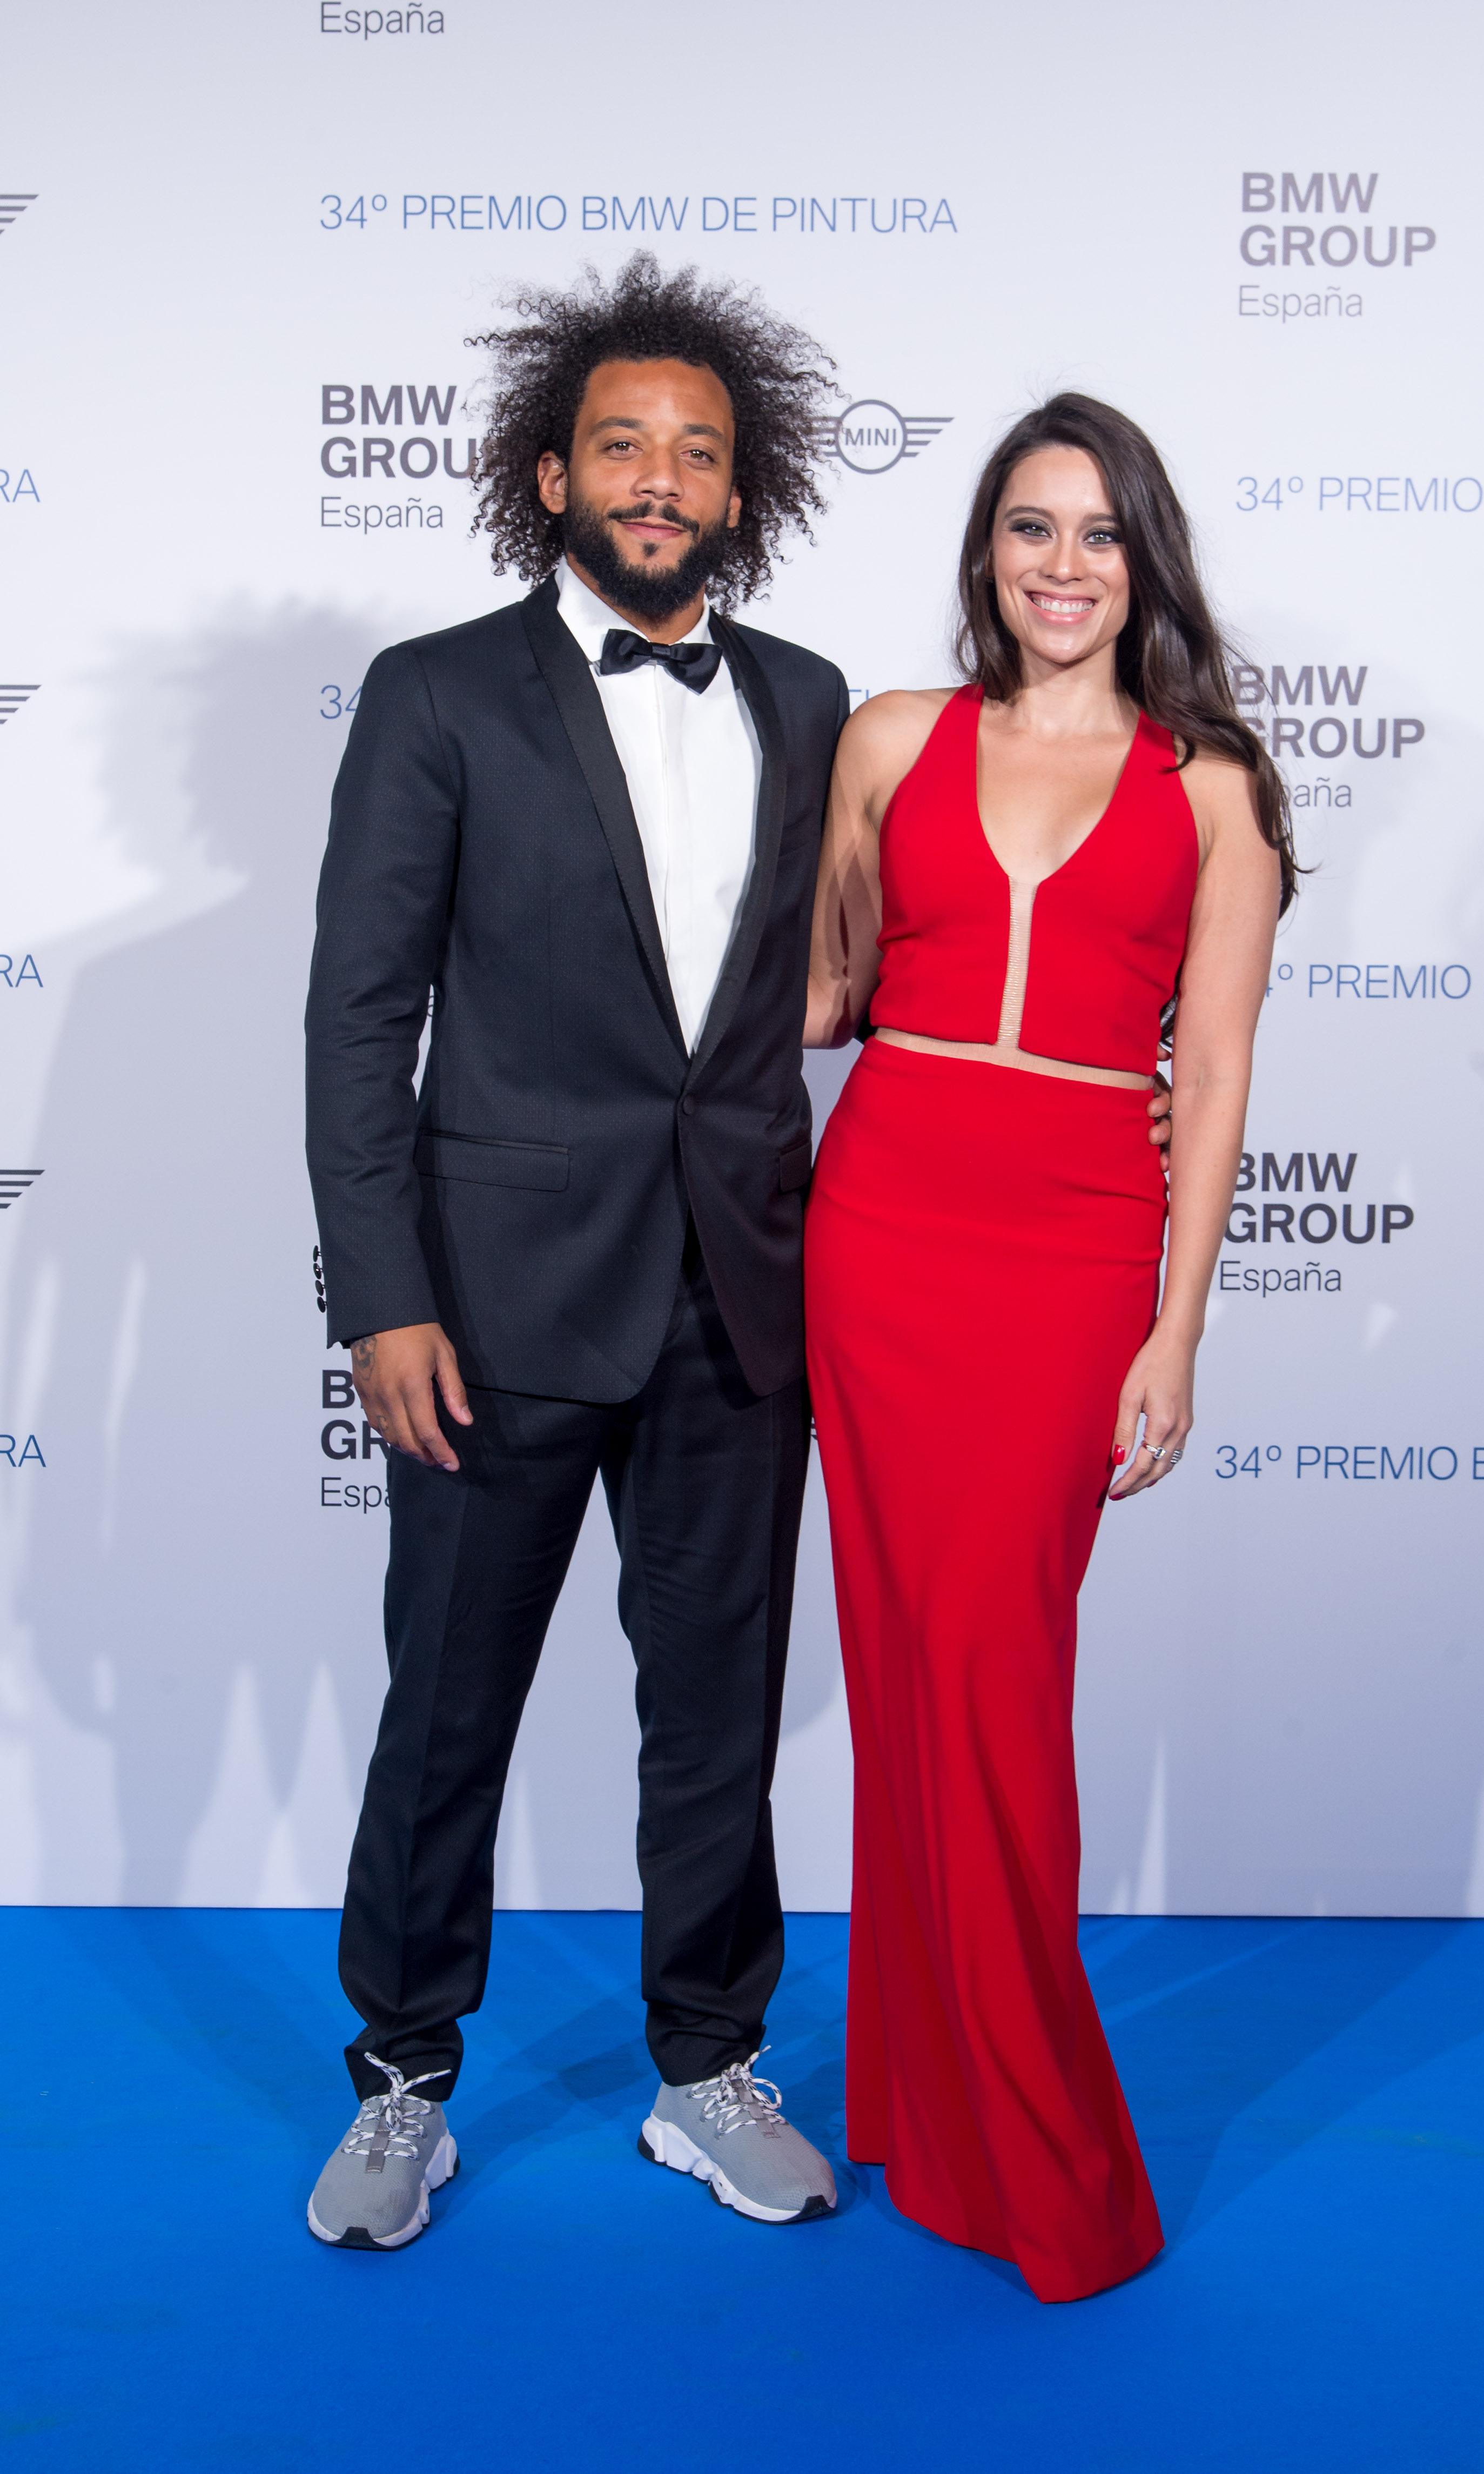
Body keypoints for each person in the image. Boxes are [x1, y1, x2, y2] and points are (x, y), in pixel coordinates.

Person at [302, 255, 855, 2248]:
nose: (658, 478)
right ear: (551, 475)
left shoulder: (808, 700)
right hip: (495, 1308)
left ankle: (706, 2065)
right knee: (446, 1710)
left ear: (741, 488)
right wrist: (383, 1294)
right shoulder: (438, 691)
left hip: (738, 1301)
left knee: (716, 1714)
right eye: (622, 444)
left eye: (696, 451)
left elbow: (851, 974)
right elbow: (360, 1016)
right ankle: (402, 2078)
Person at [803, 394, 1293, 2302]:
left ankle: (1043, 2150)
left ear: (1142, 560)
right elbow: (827, 990)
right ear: (985, 551)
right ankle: (919, 2103)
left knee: (993, 1679)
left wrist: (1177, 1327)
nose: (1061, 565)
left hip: (1073, 1245)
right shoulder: (890, 738)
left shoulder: (1212, 785)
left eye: (1097, 532)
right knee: (904, 1671)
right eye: (1029, 527)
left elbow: (1216, 1071)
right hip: (880, 1231)